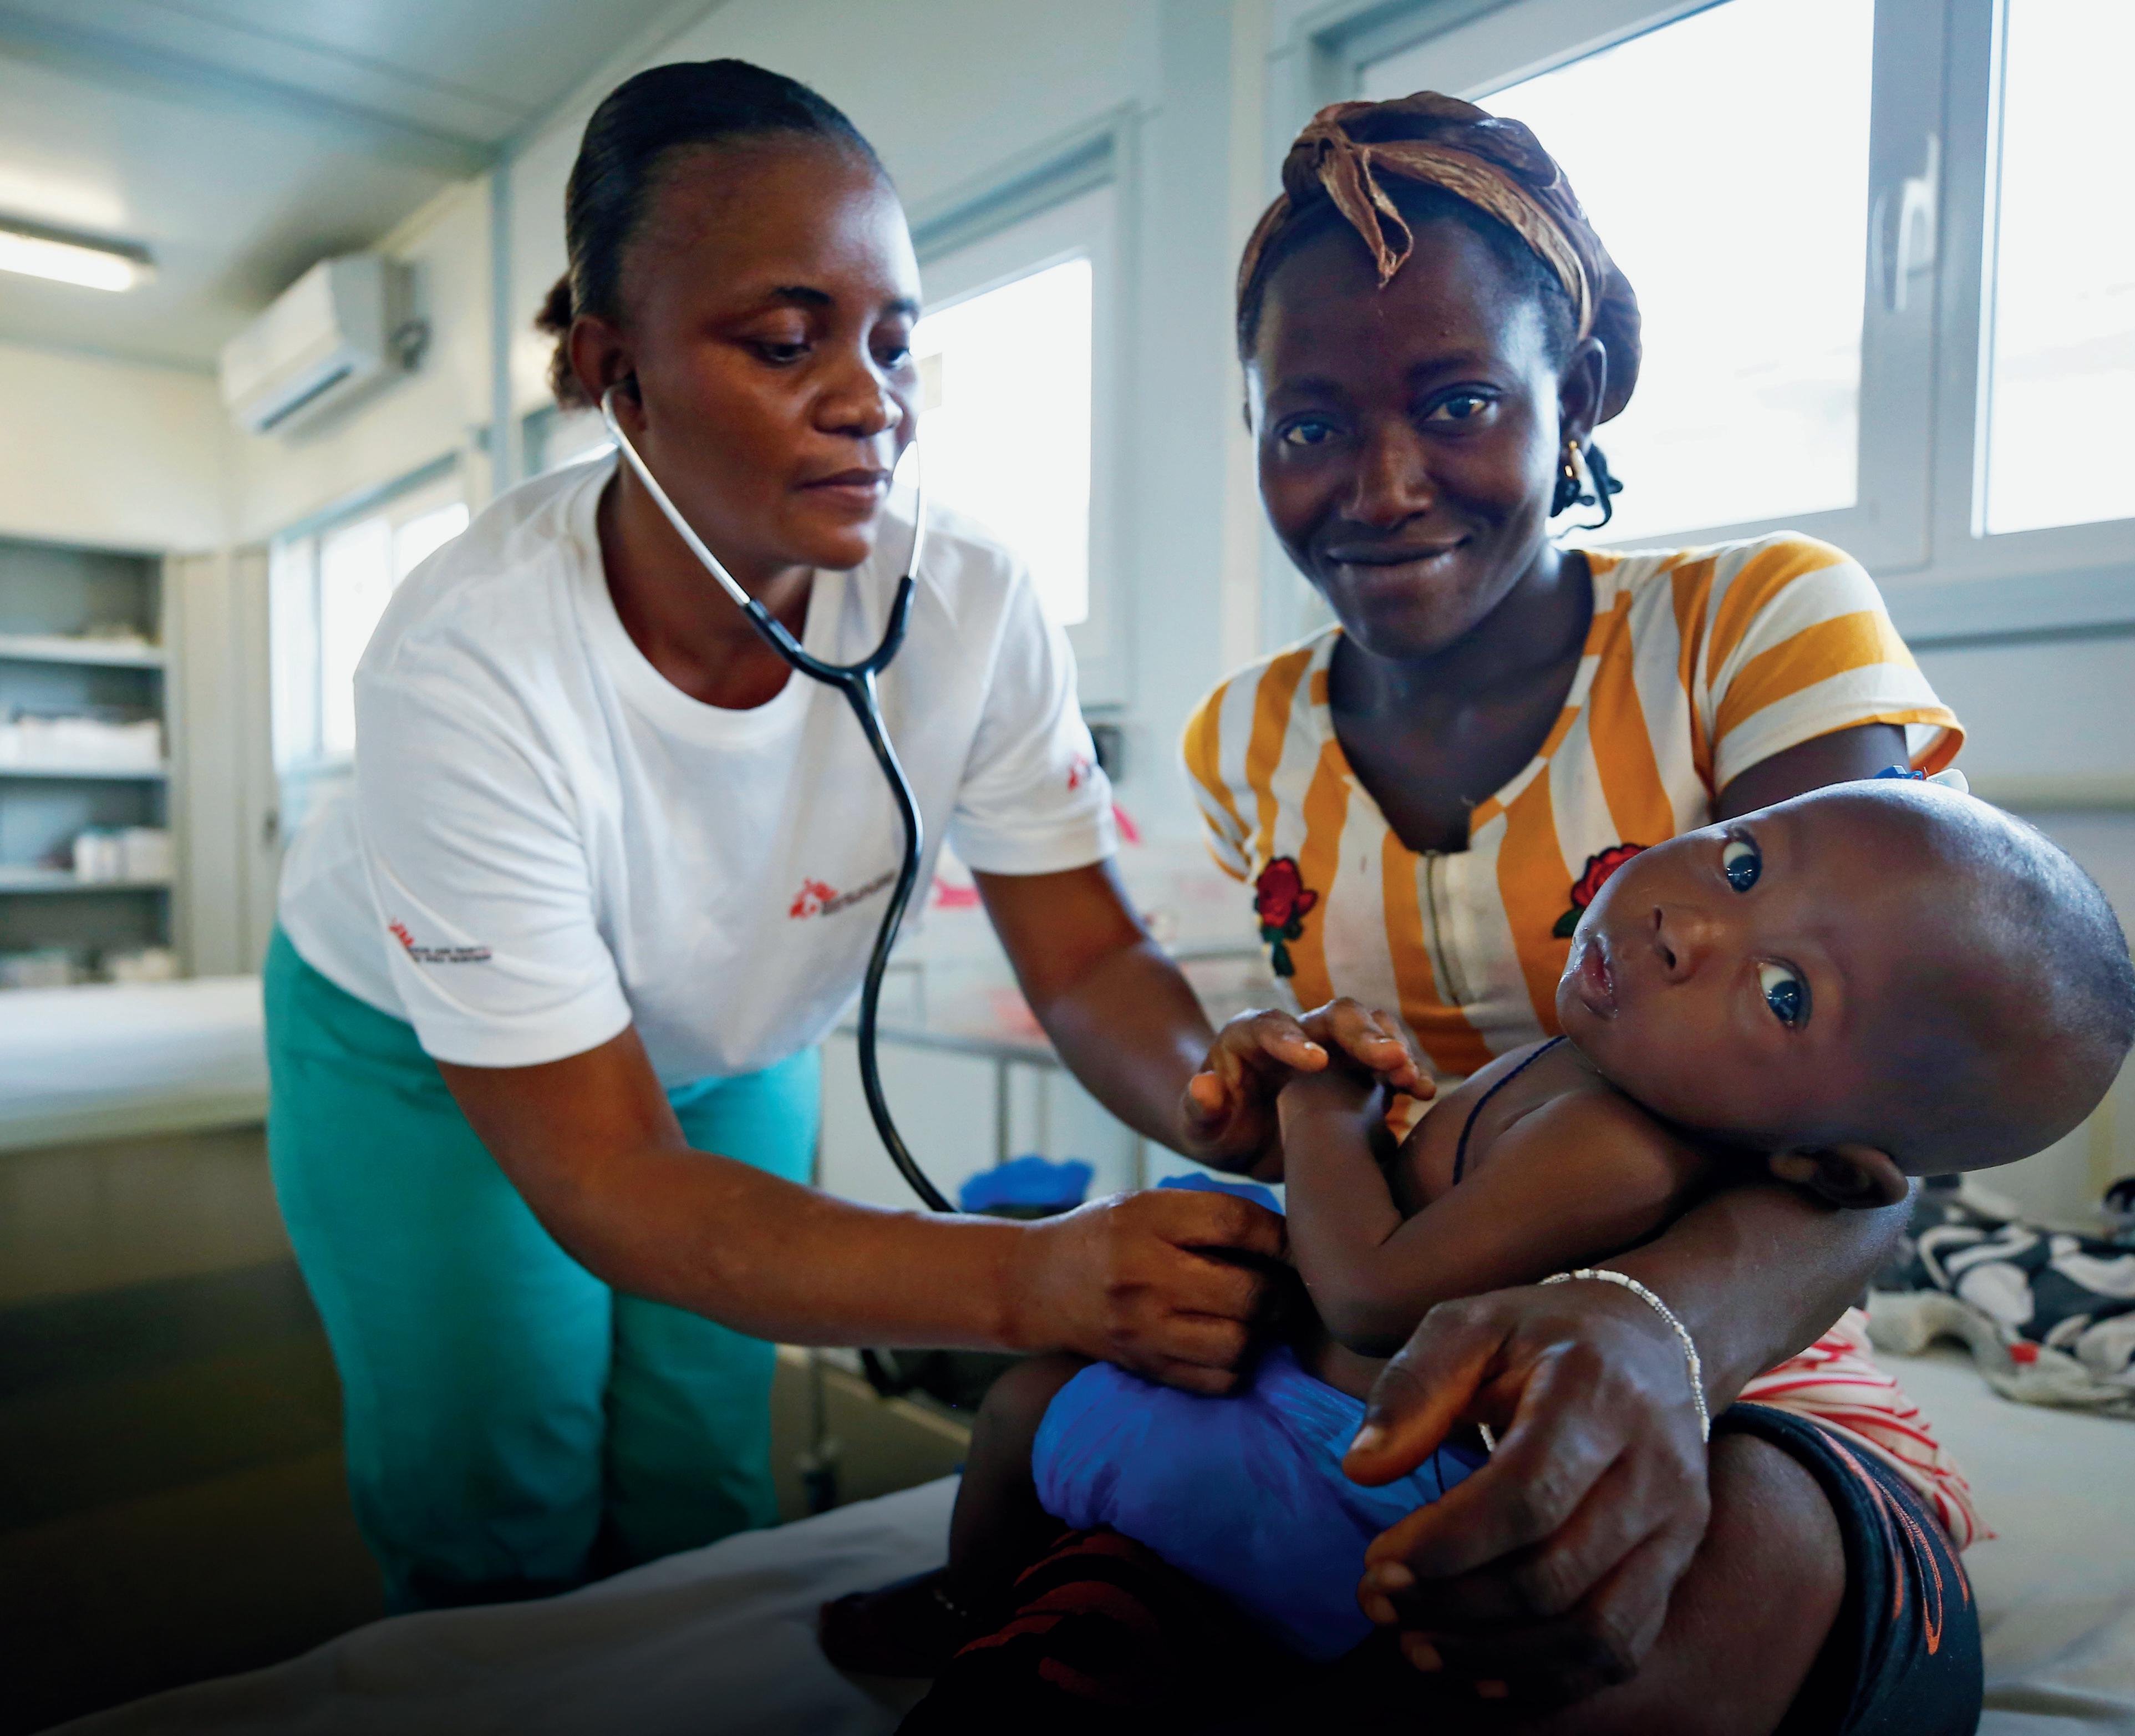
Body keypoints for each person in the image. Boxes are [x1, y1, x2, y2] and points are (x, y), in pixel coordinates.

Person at [899, 90, 1987, 1730]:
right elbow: (1261, 1093)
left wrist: (1657, 1331)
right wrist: (1249, 1089)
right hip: (1374, 1325)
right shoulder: (1246, 736)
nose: (1383, 486)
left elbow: (1864, 1126)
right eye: (1307, 426)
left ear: (1578, 395)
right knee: (1065, 1487)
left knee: (1653, 1595)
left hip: (1724, 1327)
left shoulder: (1753, 624)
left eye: (1460, 401)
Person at [265, 60, 1409, 1615]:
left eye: (891, 340)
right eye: (785, 341)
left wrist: (1236, 1110)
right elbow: (609, 1172)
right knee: (501, 1493)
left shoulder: (968, 599)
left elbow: (1083, 959)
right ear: (617, 372)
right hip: (426, 1055)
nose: (870, 399)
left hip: (731, 1038)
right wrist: (1034, 1277)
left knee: (701, 1467)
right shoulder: (467, 657)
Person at [827, 777, 2134, 1736]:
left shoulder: (1617, 1146)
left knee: (1031, 1416)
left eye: (1783, 993)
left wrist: (1322, 1103)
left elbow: (1372, 1291)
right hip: (1328, 1390)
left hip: (1364, 1451)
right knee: (1033, 1411)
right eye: (1740, 861)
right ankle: (980, 1604)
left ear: (1828, 1166)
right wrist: (1291, 1108)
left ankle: (982, 1607)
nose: (1687, 927)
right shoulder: (1594, 1053)